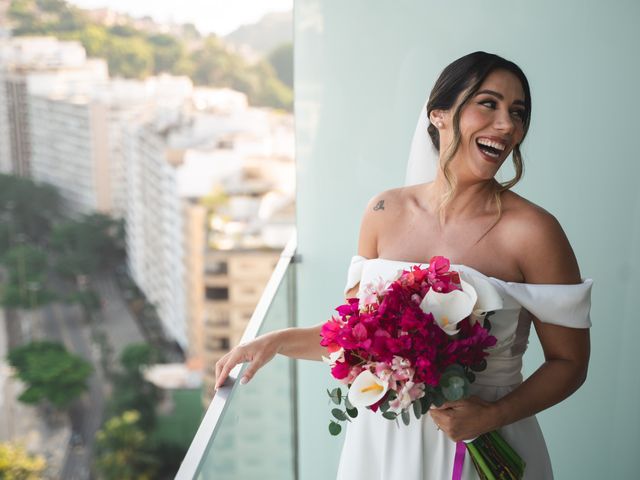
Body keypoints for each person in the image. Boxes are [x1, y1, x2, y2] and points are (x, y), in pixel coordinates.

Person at [214, 51, 592, 479]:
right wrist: (277, 341)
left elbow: (570, 363)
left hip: (481, 445)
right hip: (381, 447)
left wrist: (491, 416)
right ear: (439, 115)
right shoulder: (383, 210)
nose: (507, 125)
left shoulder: (535, 232)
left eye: (517, 112)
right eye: (488, 103)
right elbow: (357, 341)